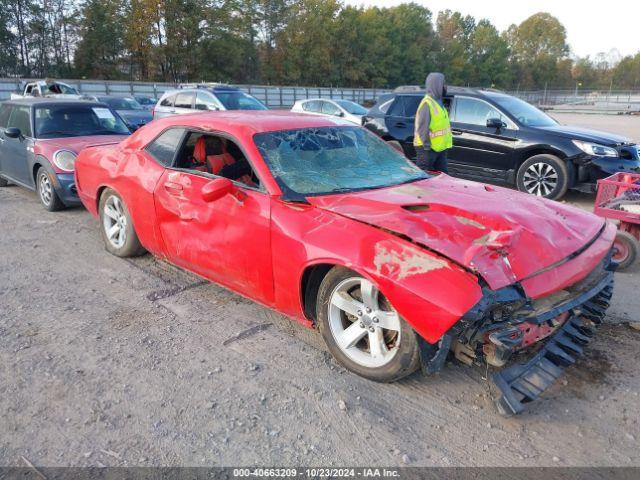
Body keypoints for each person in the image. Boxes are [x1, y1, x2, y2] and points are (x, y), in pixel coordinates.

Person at [413, 72, 453, 173]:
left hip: (439, 149)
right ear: (437, 85)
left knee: (443, 176)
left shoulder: (438, 102)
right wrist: (427, 148)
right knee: (423, 178)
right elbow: (422, 129)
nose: (445, 87)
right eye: (443, 84)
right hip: (427, 149)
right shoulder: (427, 104)